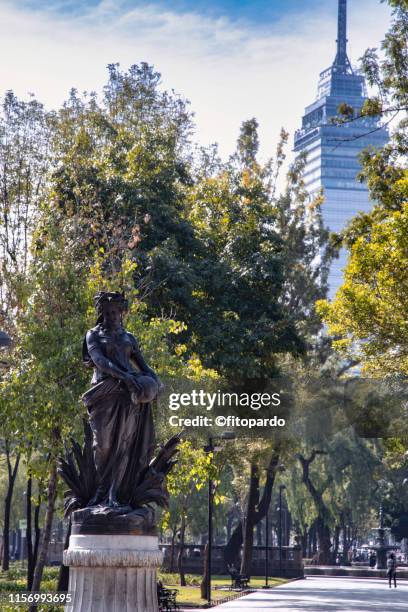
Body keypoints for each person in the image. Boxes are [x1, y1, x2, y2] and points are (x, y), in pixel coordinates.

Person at [82, 291, 162, 508]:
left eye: (115, 312)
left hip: (129, 397)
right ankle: (100, 492)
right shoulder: (93, 335)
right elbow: (99, 361)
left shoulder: (129, 338)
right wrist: (124, 376)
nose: (111, 316)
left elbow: (144, 367)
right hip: (103, 393)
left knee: (123, 446)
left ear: (121, 312)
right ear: (101, 313)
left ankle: (114, 494)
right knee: (103, 445)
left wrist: (155, 383)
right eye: (106, 312)